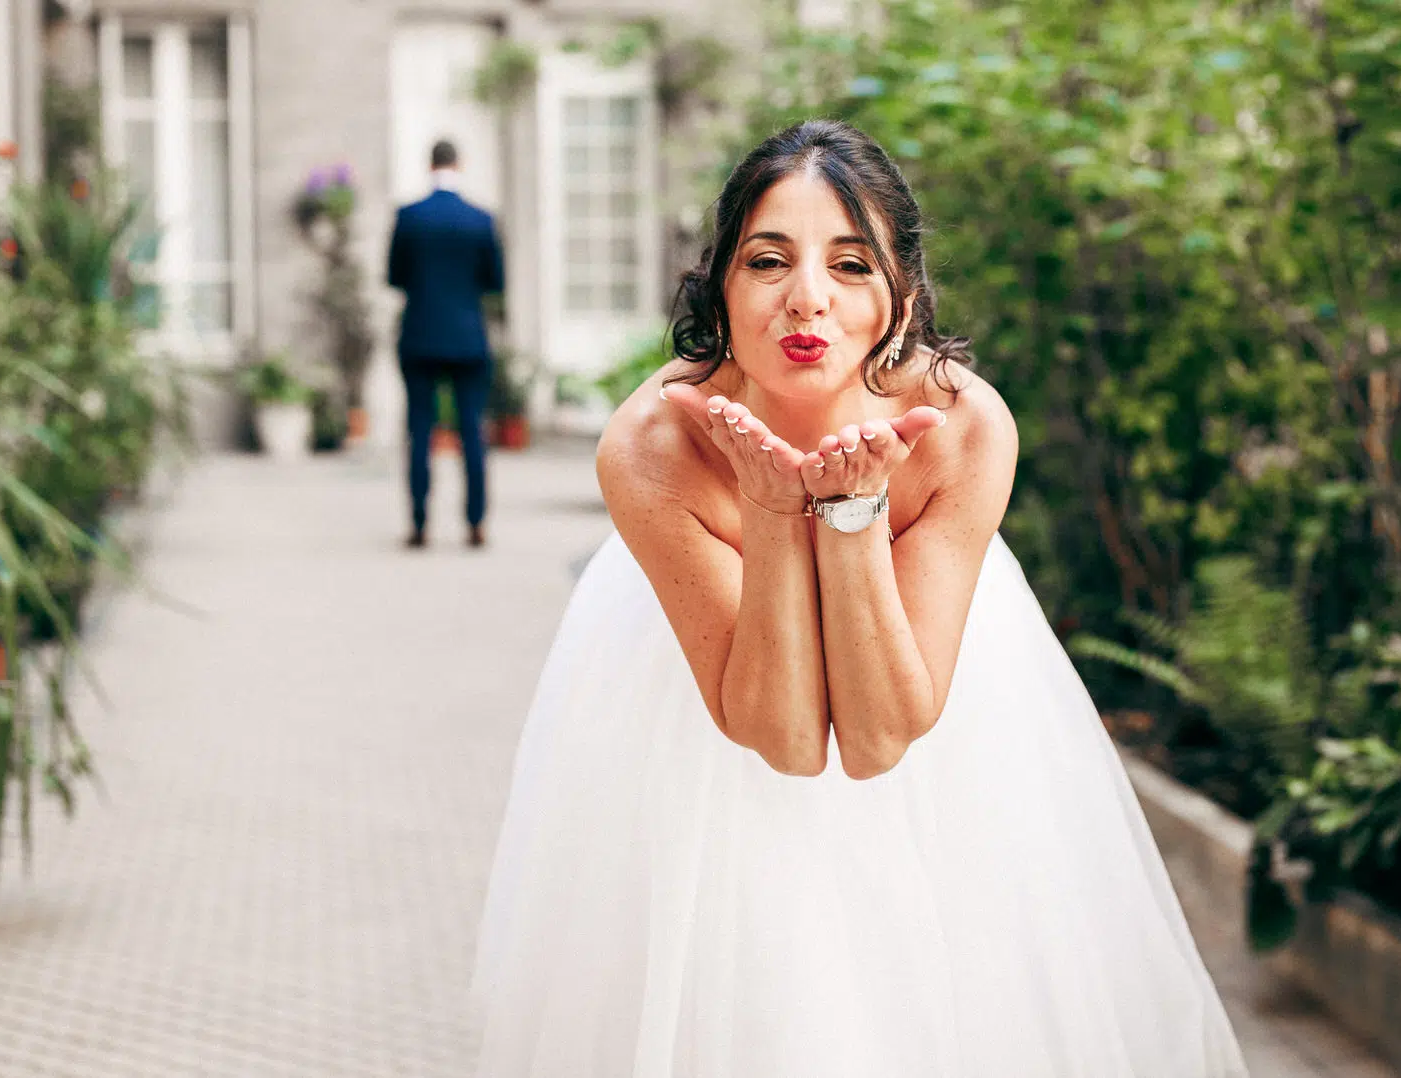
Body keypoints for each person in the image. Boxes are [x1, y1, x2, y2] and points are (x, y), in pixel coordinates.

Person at [470, 119, 1249, 1076]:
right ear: (720, 283)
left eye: (850, 264)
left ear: (903, 296)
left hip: (926, 671)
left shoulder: (962, 427)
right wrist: (767, 506)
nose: (809, 300)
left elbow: (877, 742)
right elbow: (790, 745)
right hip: (701, 702)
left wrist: (849, 513)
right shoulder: (650, 448)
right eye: (768, 261)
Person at [386, 139, 504, 549]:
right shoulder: (480, 219)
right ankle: (475, 523)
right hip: (468, 337)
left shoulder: (409, 217)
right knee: (472, 429)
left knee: (420, 429)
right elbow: (495, 281)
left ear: (428, 165)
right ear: (461, 164)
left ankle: (419, 523)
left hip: (419, 334)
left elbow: (394, 277)